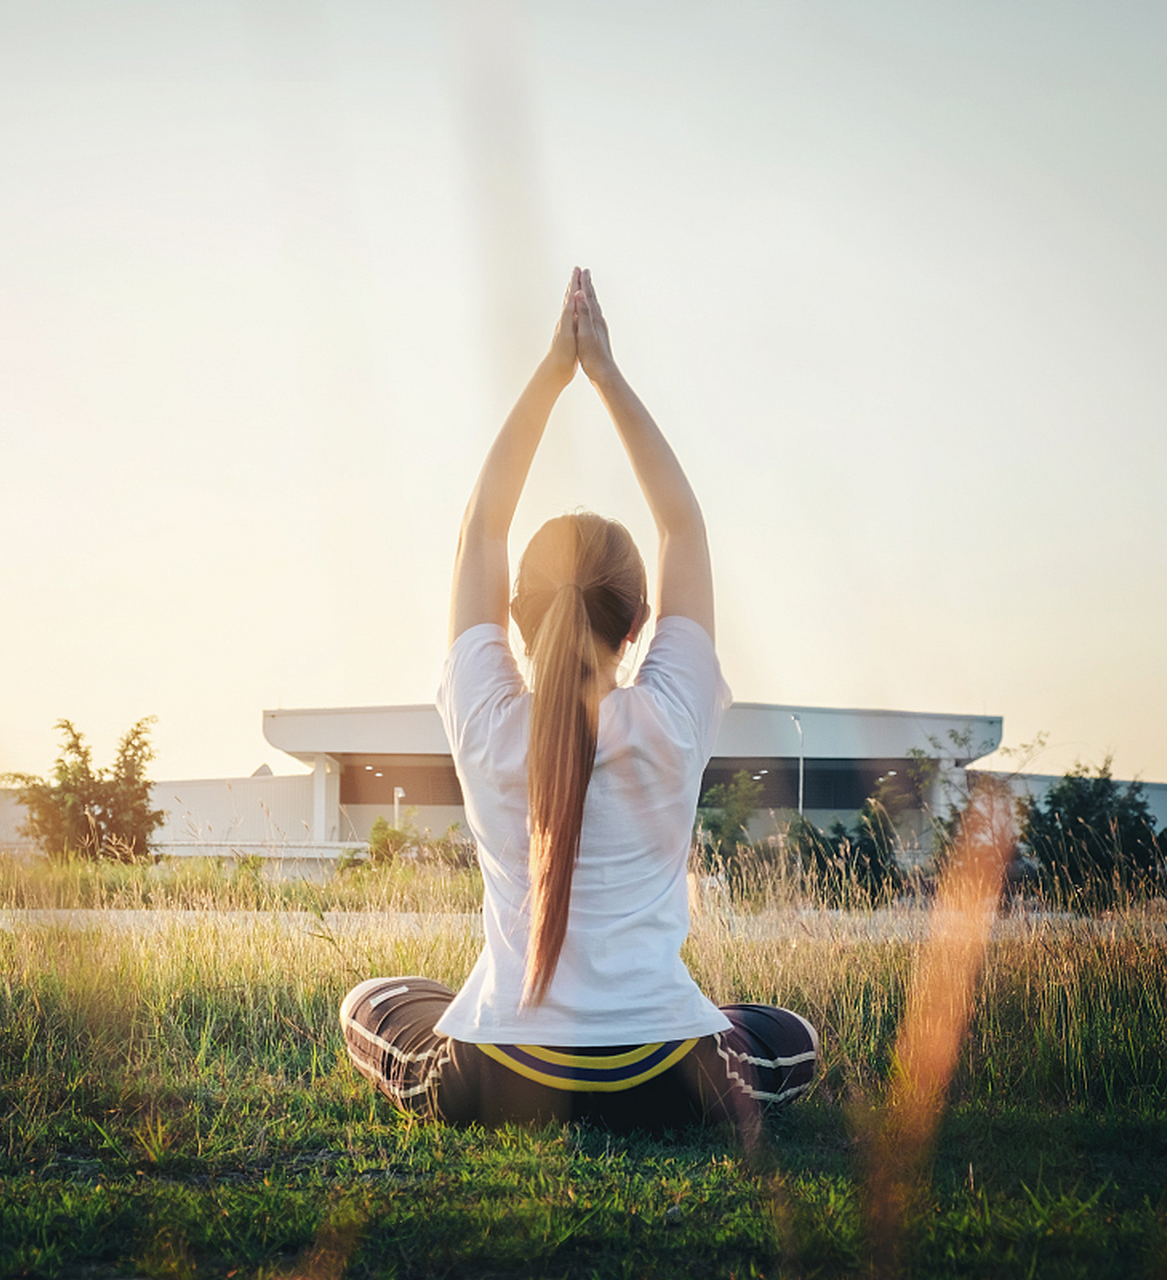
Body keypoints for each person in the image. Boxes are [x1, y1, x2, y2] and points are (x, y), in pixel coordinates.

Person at [338, 269, 818, 1136]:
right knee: (792, 1038)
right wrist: (604, 372)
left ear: (516, 616)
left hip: (502, 1076)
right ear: (639, 623)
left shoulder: (487, 718)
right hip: (666, 1073)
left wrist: (553, 372)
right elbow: (685, 528)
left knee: (371, 1001)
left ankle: (487, 1013)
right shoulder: (672, 714)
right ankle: (668, 1024)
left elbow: (481, 526)